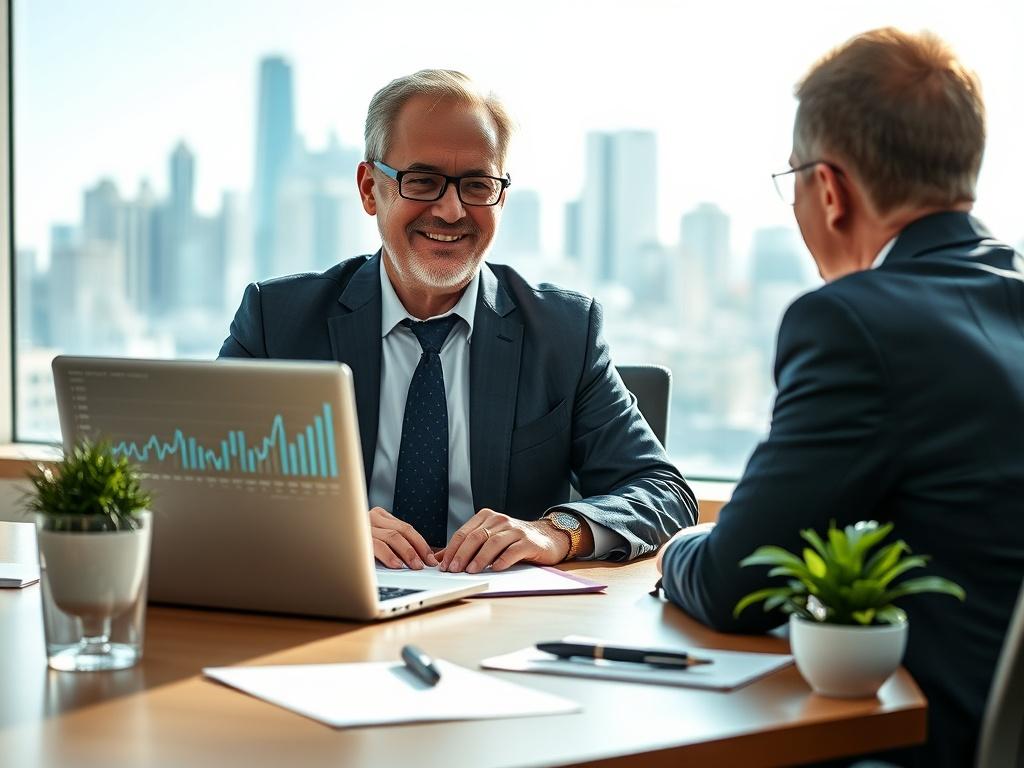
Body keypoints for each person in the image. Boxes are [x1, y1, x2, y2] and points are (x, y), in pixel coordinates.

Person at [657, 28, 1024, 768]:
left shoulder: (858, 324)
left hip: (922, 745)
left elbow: (740, 582)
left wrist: (674, 551)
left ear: (829, 189)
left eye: (791, 179)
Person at [221, 69, 696, 575]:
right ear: (369, 189)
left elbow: (662, 492)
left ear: (501, 197)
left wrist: (556, 531)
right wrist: (322, 525)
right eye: (422, 181)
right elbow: (198, 482)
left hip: (499, 624)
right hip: (325, 605)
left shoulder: (564, 331)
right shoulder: (277, 322)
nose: (451, 211)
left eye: (476, 185)